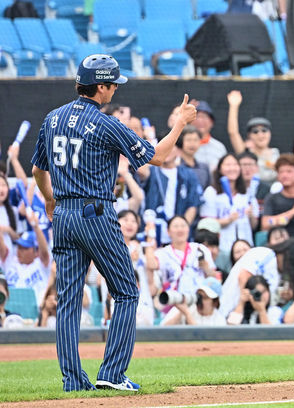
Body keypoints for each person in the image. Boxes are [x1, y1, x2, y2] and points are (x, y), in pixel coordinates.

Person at [30, 54, 197, 391]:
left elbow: (37, 169)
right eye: (112, 85)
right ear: (101, 86)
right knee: (126, 291)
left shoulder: (52, 118)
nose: (115, 91)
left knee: (69, 301)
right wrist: (179, 123)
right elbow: (159, 157)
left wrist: (50, 200)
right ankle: (112, 373)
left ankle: (74, 382)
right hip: (95, 213)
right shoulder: (106, 123)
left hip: (62, 215)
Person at [139, 142, 203, 244]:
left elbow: (193, 205)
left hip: (177, 235)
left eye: (169, 148)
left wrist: (180, 228)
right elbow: (141, 173)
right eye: (162, 148)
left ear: (179, 151)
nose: (166, 152)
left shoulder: (188, 174)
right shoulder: (151, 172)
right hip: (152, 231)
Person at [200, 153, 259, 254]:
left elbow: (254, 225)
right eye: (227, 165)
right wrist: (228, 220)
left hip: (245, 246)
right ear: (220, 169)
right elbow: (206, 224)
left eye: (235, 165)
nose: (232, 168)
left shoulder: (247, 192)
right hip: (222, 246)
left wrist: (251, 215)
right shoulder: (211, 192)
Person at [146, 216, 216, 299]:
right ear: (168, 231)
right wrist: (150, 236)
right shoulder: (163, 253)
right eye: (176, 226)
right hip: (173, 300)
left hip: (198, 300)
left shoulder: (200, 249)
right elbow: (151, 264)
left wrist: (206, 268)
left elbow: (214, 277)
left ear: (188, 229)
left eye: (183, 226)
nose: (180, 229)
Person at [227, 90, 280, 182]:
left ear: (270, 133)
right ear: (249, 136)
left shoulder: (276, 153)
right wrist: (234, 106)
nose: (260, 134)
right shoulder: (246, 153)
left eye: (264, 130)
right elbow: (233, 133)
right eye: (255, 131)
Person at [0, 211, 51, 303]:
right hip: (12, 310)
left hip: (36, 311)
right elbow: (2, 249)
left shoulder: (41, 264)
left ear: (36, 252)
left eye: (24, 248)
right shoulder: (11, 262)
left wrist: (36, 226)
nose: (20, 251)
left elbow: (44, 252)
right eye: (19, 247)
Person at [261, 154, 294, 242]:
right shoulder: (272, 198)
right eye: (281, 172)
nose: (284, 175)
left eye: (289, 171)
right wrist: (293, 212)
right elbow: (265, 224)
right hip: (281, 245)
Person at [161, 277, 226, 326]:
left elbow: (202, 340)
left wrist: (187, 314)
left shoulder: (219, 320)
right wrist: (181, 313)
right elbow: (162, 331)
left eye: (205, 298)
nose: (200, 300)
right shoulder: (186, 306)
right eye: (199, 295)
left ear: (215, 302)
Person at [192, 100, 227, 171]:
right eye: (197, 117)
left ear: (212, 122)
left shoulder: (219, 147)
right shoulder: (183, 145)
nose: (200, 121)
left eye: (204, 117)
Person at [177, 125, 212, 190]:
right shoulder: (176, 166)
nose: (192, 144)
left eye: (195, 140)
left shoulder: (204, 167)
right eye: (188, 140)